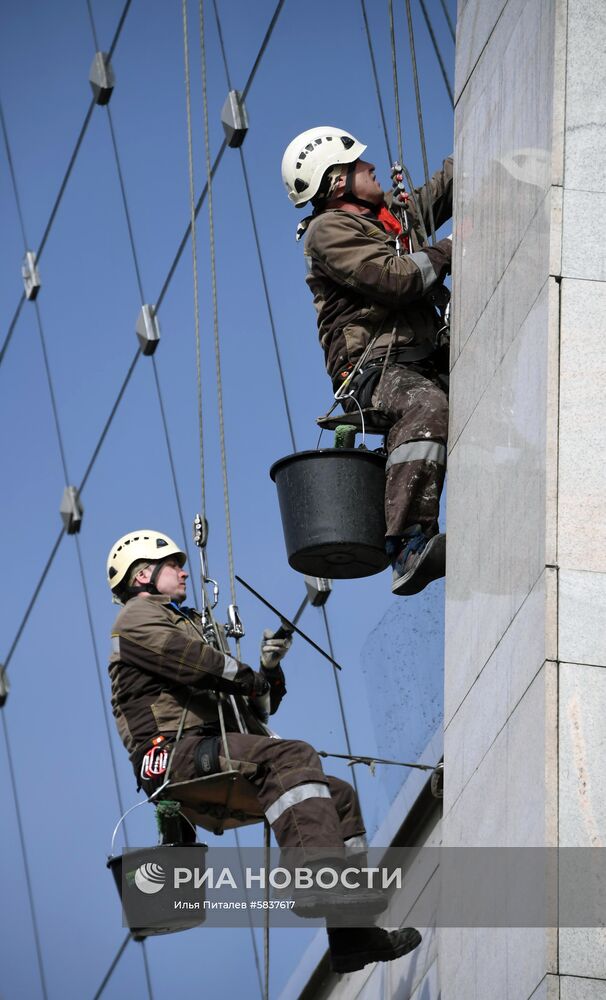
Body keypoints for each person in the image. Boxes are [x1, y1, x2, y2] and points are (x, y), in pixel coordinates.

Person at [106, 529, 421, 973]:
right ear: (142, 575)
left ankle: (352, 935)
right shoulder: (136, 617)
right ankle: (317, 879)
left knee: (338, 796)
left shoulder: (184, 622)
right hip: (175, 754)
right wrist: (247, 676)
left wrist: (268, 673)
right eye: (172, 565)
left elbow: (246, 710)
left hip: (208, 750)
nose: (183, 572)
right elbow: (195, 663)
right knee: (292, 756)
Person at [281, 127, 453, 596]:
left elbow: (441, 192)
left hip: (425, 355)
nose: (371, 166)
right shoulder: (328, 231)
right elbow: (395, 278)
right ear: (338, 182)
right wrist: (451, 248)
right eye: (359, 164)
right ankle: (409, 543)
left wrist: (484, 150)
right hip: (374, 368)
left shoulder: (387, 219)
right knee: (426, 409)